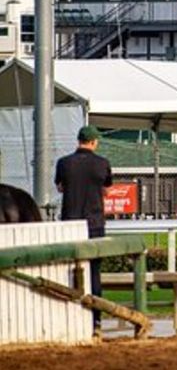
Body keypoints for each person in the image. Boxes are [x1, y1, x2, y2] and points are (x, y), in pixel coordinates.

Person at [54, 126, 113, 333]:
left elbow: (60, 187)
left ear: (78, 140)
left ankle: (71, 318)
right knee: (94, 273)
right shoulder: (102, 164)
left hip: (70, 224)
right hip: (95, 224)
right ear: (94, 142)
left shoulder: (63, 163)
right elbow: (106, 189)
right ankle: (95, 321)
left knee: (69, 271)